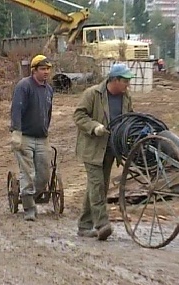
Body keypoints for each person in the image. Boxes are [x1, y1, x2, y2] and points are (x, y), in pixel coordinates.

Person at [73, 63, 134, 241]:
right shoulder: (93, 94)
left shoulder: (126, 97)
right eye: (125, 81)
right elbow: (78, 115)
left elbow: (129, 118)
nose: (127, 85)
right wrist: (94, 127)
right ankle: (102, 224)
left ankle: (84, 226)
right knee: (97, 185)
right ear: (114, 80)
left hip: (110, 150)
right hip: (92, 148)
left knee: (99, 186)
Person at [10, 54, 54, 222]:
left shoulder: (49, 89)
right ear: (34, 70)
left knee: (43, 175)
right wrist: (16, 132)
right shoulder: (24, 86)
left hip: (42, 137)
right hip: (25, 136)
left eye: (48, 69)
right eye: (42, 69)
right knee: (27, 173)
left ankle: (32, 198)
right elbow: (16, 109)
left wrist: (45, 129)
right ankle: (28, 208)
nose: (46, 72)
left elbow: (48, 113)